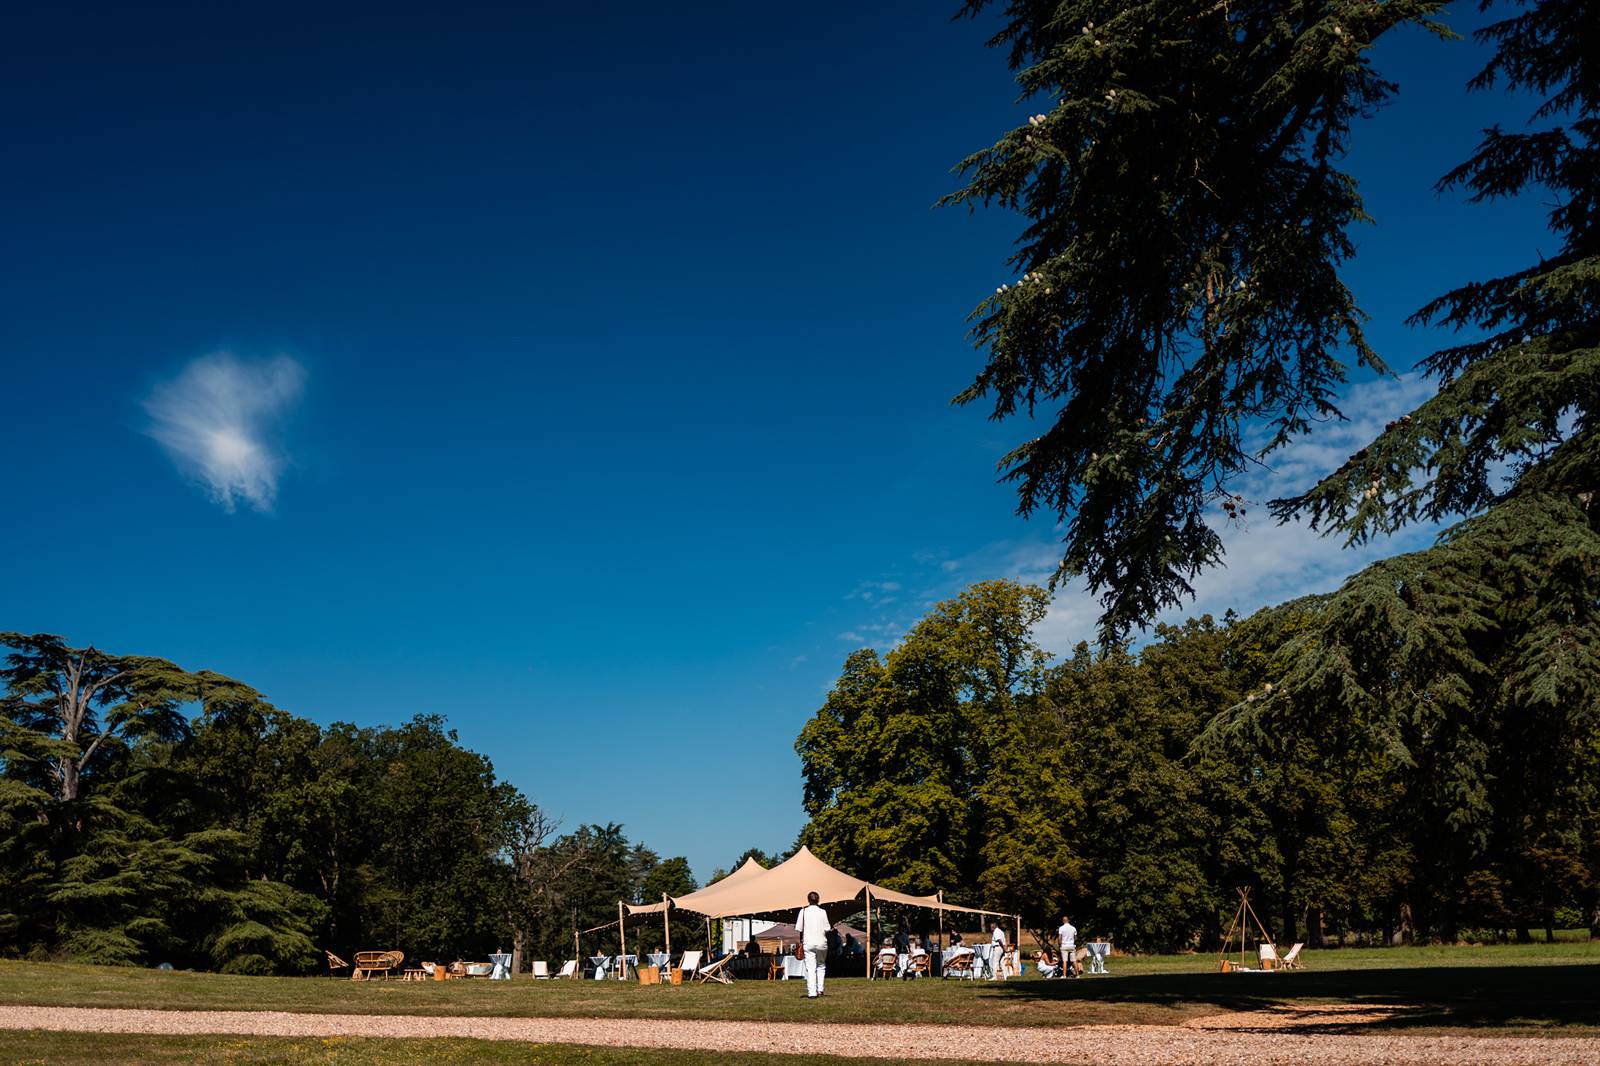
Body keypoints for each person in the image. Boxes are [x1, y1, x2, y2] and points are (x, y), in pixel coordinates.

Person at [795, 890, 830, 999]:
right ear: (818, 900)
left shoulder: (803, 911)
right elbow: (827, 928)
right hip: (821, 942)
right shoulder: (823, 912)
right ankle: (820, 989)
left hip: (809, 942)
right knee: (821, 965)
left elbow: (799, 928)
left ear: (808, 900)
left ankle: (812, 993)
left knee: (810, 968)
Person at [1057, 913, 1078, 978]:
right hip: (1071, 945)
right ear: (1068, 920)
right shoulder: (1073, 928)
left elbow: (1059, 938)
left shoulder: (1061, 928)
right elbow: (1075, 938)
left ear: (1063, 921)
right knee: (1074, 960)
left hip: (1064, 946)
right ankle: (1077, 975)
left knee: (1064, 961)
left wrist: (1060, 945)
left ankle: (1064, 975)